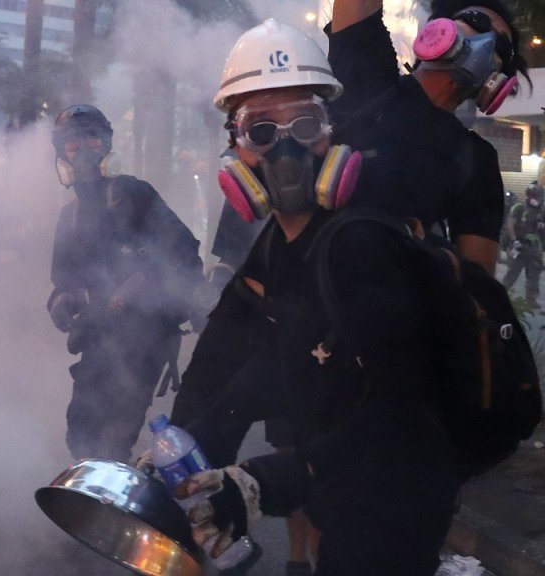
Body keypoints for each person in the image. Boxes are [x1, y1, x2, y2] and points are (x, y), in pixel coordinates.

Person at [169, 20, 458, 576]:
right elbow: (234, 360)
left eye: (305, 124)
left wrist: (272, 478)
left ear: (331, 134)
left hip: (398, 506)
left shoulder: (363, 243)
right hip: (345, 495)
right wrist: (185, 449)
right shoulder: (277, 247)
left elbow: (402, 407)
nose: (286, 149)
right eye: (261, 130)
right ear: (235, 146)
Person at [327, 0, 531, 275]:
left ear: (496, 81)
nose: (488, 40)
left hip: (386, 296)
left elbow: (479, 284)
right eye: (477, 21)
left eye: (502, 46)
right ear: (438, 28)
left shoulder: (476, 158)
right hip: (310, 281)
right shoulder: (370, 79)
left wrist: (434, 258)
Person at [47, 104, 203, 463]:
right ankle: (94, 494)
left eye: (92, 140)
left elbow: (183, 255)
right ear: (62, 153)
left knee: (115, 435)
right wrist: (61, 299)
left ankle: (114, 494)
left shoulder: (134, 194)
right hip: (98, 339)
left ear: (106, 144)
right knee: (81, 432)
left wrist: (139, 285)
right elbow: (64, 278)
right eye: (72, 144)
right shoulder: (69, 216)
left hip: (144, 339)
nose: (83, 151)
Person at [501, 182, 545, 307]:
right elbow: (510, 224)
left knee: (534, 273)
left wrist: (542, 226)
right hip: (520, 245)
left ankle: (531, 299)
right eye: (532, 195)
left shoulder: (541, 210)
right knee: (512, 273)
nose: (534, 198)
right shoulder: (519, 207)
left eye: (536, 196)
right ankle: (501, 295)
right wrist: (514, 240)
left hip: (534, 247)